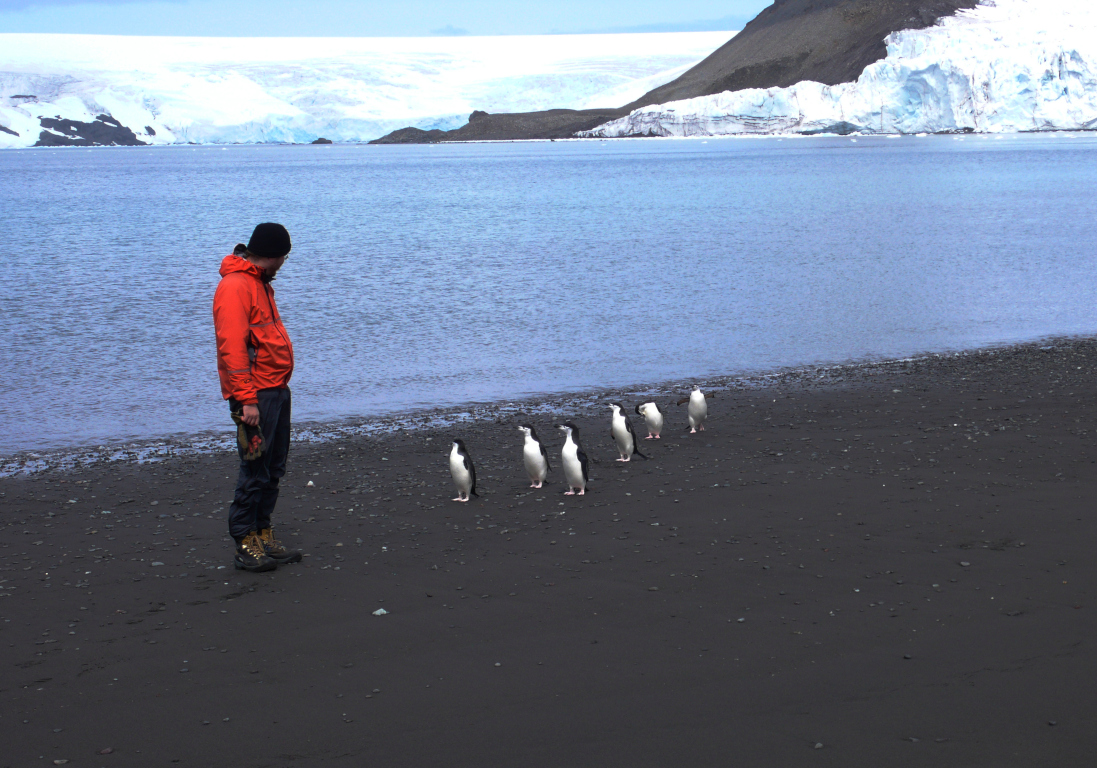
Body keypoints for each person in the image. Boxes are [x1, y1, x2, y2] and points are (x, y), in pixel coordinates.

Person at [213, 223, 303, 572]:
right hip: (256, 394)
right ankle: (244, 543)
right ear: (275, 255)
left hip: (275, 388)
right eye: (284, 256)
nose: (284, 263)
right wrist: (246, 399)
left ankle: (263, 533)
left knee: (273, 467)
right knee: (254, 467)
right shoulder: (236, 286)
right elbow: (231, 348)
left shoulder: (258, 284)